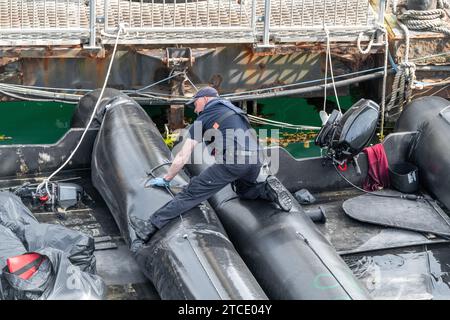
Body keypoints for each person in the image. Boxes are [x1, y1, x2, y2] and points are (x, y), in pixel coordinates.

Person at [130, 86, 292, 242]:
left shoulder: (205, 117)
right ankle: (266, 189)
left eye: (195, 104)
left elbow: (183, 155)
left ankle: (149, 226)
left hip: (234, 161)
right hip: (257, 158)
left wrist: (167, 178)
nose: (194, 109)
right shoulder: (234, 110)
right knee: (244, 190)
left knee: (191, 193)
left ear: (205, 99)